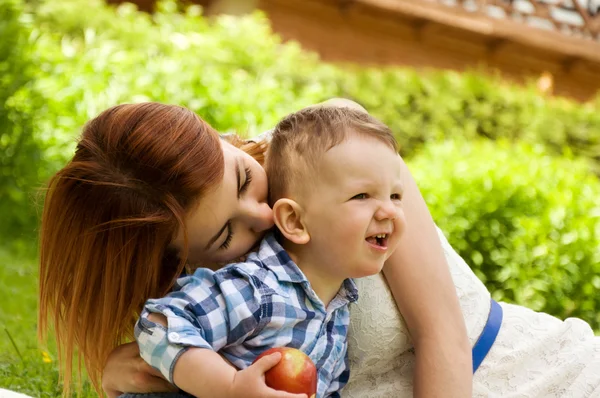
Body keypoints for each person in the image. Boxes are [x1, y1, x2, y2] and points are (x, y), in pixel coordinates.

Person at [38, 100, 471, 398]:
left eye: (245, 179)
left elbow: (445, 336)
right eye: (227, 235)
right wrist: (117, 365)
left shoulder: (335, 148)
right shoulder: (231, 285)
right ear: (186, 263)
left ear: (222, 140)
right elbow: (169, 331)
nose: (264, 218)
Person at [133, 107, 406, 398]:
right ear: (295, 221)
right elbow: (158, 324)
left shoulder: (337, 305)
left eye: (396, 196)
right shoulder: (257, 289)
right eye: (361, 196)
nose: (389, 210)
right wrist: (229, 387)